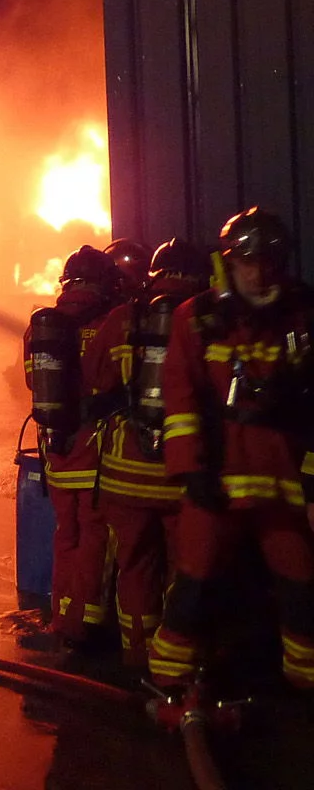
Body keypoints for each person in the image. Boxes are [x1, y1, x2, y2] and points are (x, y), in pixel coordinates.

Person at [149, 207, 314, 691]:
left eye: (268, 263)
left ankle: (306, 679)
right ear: (228, 262)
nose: (259, 273)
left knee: (302, 585)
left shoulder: (300, 318)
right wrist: (191, 471)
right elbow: (180, 398)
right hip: (217, 481)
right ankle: (170, 681)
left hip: (281, 482)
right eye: (248, 262)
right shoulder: (197, 319)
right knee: (194, 584)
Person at [82, 238, 210, 671]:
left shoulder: (123, 317)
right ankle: (176, 662)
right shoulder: (204, 318)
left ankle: (137, 655)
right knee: (184, 568)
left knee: (134, 566)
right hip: (181, 473)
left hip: (124, 472)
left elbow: (95, 380)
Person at [26, 244, 122, 648]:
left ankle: (63, 619)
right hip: (98, 450)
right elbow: (121, 382)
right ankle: (88, 626)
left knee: (66, 534)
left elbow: (33, 381)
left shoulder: (41, 326)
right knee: (97, 537)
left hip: (58, 450)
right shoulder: (112, 321)